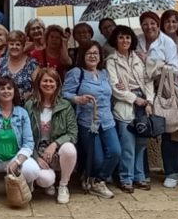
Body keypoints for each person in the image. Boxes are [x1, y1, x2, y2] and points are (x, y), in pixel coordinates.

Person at [62, 41, 120, 200]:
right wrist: (77, 99)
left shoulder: (104, 73)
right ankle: (94, 180)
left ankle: (97, 180)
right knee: (97, 158)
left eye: (96, 53)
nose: (93, 56)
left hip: (107, 120)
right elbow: (64, 93)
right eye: (89, 53)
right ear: (83, 56)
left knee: (115, 152)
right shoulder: (76, 73)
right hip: (87, 121)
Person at [105, 25, 153, 192]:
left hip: (144, 104)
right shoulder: (111, 61)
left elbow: (148, 80)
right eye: (121, 37)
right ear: (115, 40)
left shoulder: (139, 58)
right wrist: (133, 98)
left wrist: (149, 101)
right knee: (127, 145)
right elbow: (114, 87)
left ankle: (139, 176)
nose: (125, 40)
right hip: (125, 105)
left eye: (127, 37)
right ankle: (126, 178)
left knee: (141, 144)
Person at [25, 68, 78, 204]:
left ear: (57, 84)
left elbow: (73, 133)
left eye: (51, 81)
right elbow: (24, 135)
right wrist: (36, 157)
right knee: (45, 180)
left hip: (57, 152)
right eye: (45, 81)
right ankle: (48, 182)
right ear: (38, 83)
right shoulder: (30, 105)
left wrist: (55, 144)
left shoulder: (65, 106)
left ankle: (63, 185)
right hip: (37, 151)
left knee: (69, 149)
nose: (48, 84)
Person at [0, 30, 39, 103]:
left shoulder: (32, 64)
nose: (14, 47)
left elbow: (38, 87)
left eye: (18, 44)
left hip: (26, 105)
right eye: (11, 44)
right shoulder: (0, 63)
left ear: (23, 46)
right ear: (7, 45)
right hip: (5, 105)